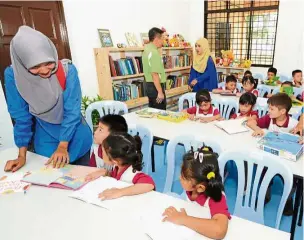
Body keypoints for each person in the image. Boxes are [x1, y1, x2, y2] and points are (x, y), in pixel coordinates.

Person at [4, 26, 92, 172]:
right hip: (46, 139)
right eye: (35, 66)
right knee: (51, 185)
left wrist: (63, 146)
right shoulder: (14, 76)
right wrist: (21, 156)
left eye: (48, 63)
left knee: (83, 184)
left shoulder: (67, 70)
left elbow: (72, 111)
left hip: (76, 134)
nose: (45, 70)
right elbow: (21, 117)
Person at [162, 146, 230, 239]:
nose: (179, 178)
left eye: (184, 177)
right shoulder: (192, 188)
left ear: (200, 188)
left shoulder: (216, 197)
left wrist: (183, 219)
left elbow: (219, 230)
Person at [88, 133, 155, 200]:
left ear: (115, 161)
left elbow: (149, 184)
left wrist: (120, 192)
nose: (100, 153)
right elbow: (116, 177)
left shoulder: (132, 174)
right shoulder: (118, 167)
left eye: (102, 152)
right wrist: (106, 173)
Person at [142, 27, 166, 110]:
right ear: (156, 39)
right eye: (162, 38)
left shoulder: (146, 49)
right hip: (156, 87)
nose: (163, 41)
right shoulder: (154, 52)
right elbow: (154, 74)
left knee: (152, 112)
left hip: (149, 85)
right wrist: (160, 92)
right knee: (160, 113)